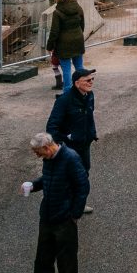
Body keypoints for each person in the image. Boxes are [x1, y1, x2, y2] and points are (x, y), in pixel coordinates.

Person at [20, 130, 89, 273]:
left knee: (66, 261)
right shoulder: (49, 159)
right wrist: (34, 185)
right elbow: (48, 179)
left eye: (38, 152)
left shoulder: (70, 158)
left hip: (64, 218)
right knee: (43, 258)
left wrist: (74, 214)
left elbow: (83, 186)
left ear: (47, 147)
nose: (37, 156)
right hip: (48, 216)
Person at [48, 65, 99, 200]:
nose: (91, 82)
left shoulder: (90, 95)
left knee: (84, 173)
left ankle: (79, 203)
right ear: (77, 83)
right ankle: (68, 205)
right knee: (70, 175)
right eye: (87, 80)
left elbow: (89, 116)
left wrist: (91, 134)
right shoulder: (64, 101)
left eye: (92, 79)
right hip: (70, 147)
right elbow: (52, 127)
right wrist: (64, 141)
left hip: (85, 143)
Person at [47, 0, 87, 92]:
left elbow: (54, 32)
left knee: (66, 68)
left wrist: (50, 46)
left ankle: (68, 92)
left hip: (63, 45)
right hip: (78, 41)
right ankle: (82, 89)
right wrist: (78, 35)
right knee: (79, 66)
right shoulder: (78, 8)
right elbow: (82, 25)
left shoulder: (57, 12)